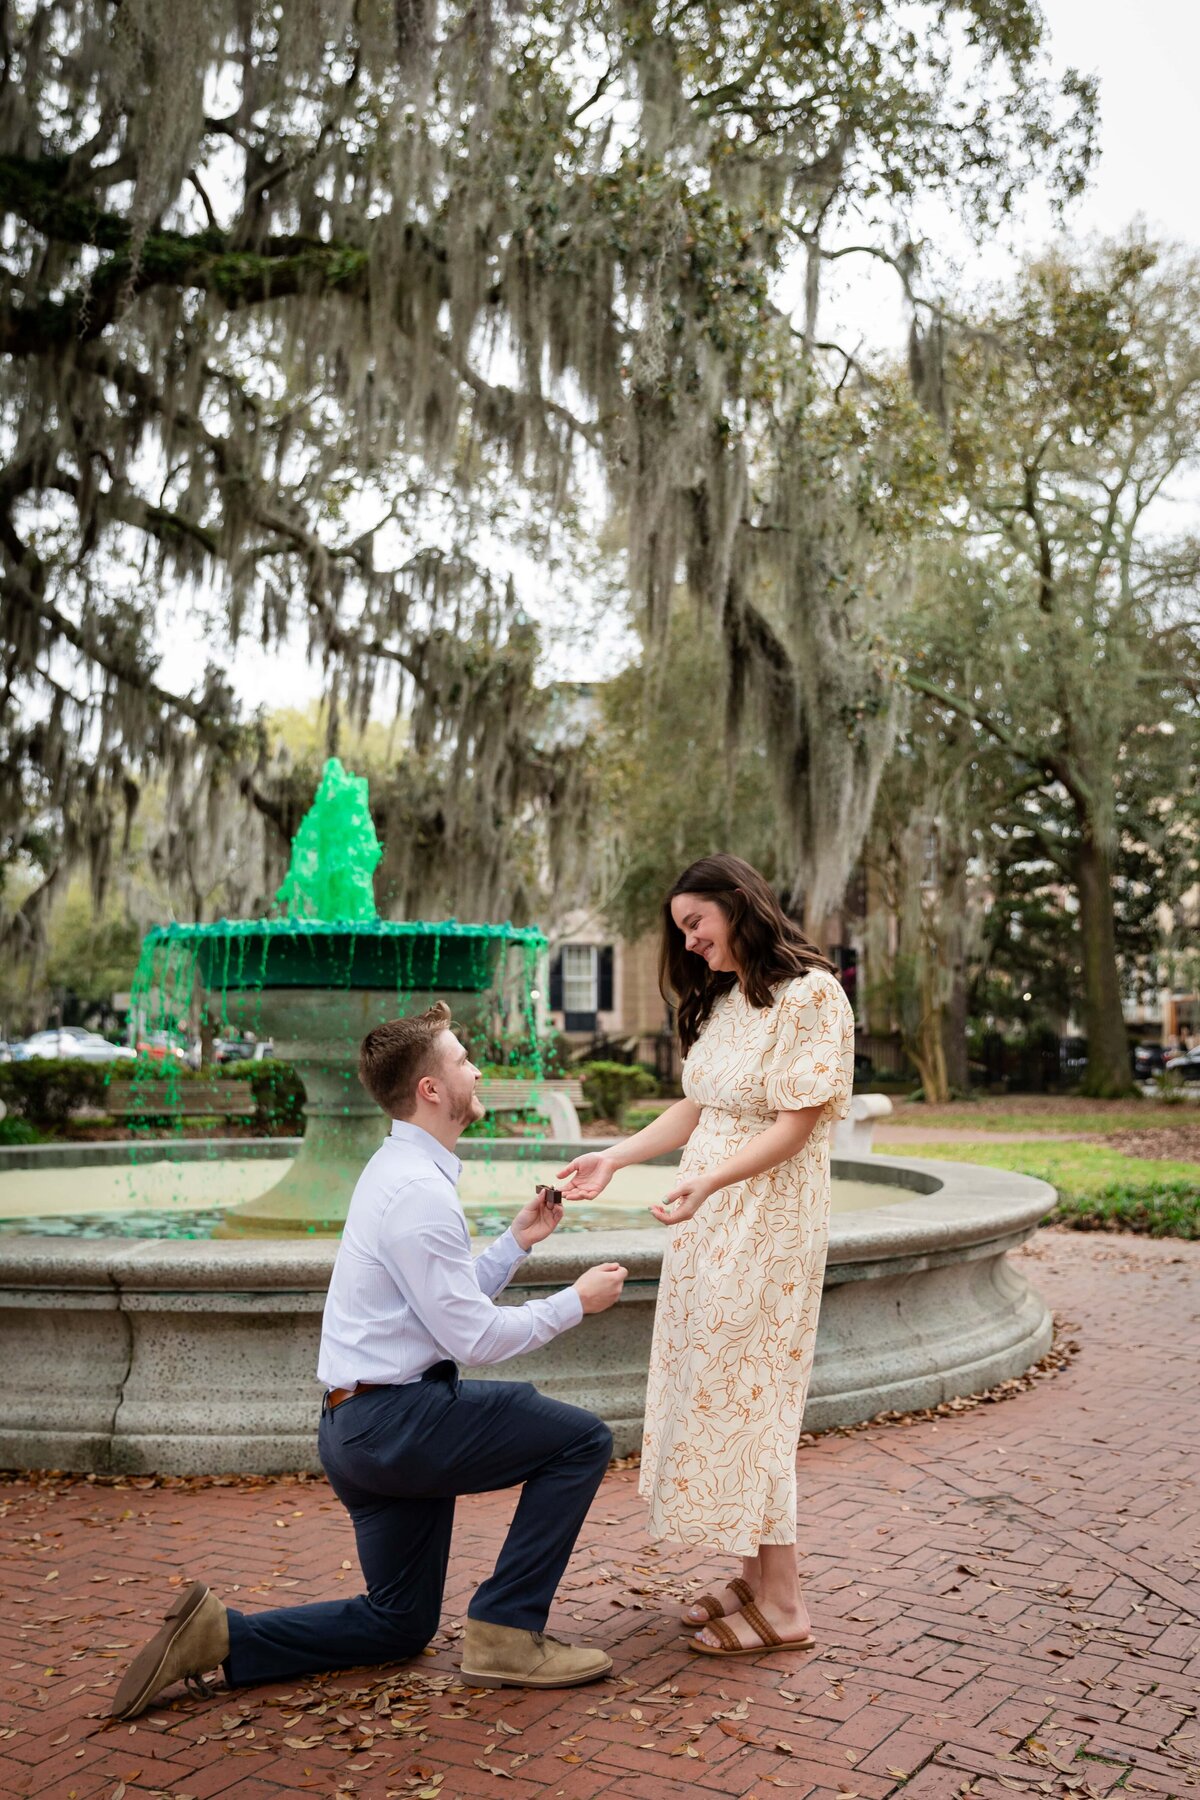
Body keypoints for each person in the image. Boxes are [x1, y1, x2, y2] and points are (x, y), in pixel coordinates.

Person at [109, 1003, 627, 1718]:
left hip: (358, 1428)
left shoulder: (397, 1170)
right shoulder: (417, 1193)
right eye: (461, 1059)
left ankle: (220, 1636)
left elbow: (436, 1311)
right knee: (580, 1441)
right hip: (397, 1426)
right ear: (432, 1091)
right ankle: (508, 1631)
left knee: (400, 1622)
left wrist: (515, 1243)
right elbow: (471, 1339)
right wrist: (576, 1301)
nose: (476, 1069)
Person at [559, 855, 855, 1660]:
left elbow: (797, 1123)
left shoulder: (813, 995)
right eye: (682, 930)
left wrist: (710, 1185)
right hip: (709, 1220)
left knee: (755, 1400)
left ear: (740, 905)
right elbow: (700, 1104)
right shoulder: (728, 998)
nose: (689, 942)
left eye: (697, 923)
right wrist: (614, 1158)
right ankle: (756, 1577)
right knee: (721, 1391)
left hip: (767, 1220)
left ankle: (787, 1603)